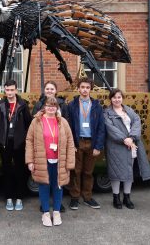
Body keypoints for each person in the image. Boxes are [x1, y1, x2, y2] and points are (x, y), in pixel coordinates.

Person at [26, 97, 75, 226]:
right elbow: (29, 141)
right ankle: (46, 213)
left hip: (59, 160)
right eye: (48, 105)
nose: (51, 108)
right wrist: (30, 161)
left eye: (54, 105)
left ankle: (57, 212)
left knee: (58, 186)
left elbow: (70, 142)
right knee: (44, 186)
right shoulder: (36, 121)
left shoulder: (63, 122)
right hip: (42, 160)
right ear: (44, 106)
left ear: (57, 107)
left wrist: (70, 162)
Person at [104, 88, 150, 209]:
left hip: (131, 146)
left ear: (122, 98)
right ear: (111, 99)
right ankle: (116, 197)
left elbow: (137, 122)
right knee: (115, 172)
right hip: (115, 147)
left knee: (128, 171)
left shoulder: (129, 110)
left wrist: (131, 138)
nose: (117, 99)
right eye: (114, 97)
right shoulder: (107, 113)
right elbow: (110, 129)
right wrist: (124, 139)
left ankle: (127, 197)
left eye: (119, 97)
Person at [68, 77, 105, 210]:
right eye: (82, 87)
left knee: (88, 172)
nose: (85, 90)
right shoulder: (71, 105)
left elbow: (101, 127)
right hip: (78, 142)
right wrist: (72, 144)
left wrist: (98, 146)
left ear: (90, 89)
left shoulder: (97, 106)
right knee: (76, 171)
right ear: (78, 88)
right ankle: (74, 197)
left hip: (91, 142)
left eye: (87, 88)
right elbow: (69, 126)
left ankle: (87, 197)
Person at [32, 80, 69, 213]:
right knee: (45, 180)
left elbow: (68, 124)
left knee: (57, 179)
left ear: (56, 90)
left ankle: (58, 205)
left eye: (51, 89)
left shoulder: (62, 105)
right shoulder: (39, 105)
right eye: (47, 89)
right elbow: (34, 126)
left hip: (60, 147)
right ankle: (45, 204)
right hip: (45, 148)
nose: (49, 91)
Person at [0, 79, 32, 211]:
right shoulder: (1, 105)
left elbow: (29, 123)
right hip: (5, 143)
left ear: (16, 90)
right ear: (4, 90)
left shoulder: (23, 105)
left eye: (12, 90)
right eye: (7, 90)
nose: (9, 92)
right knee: (6, 170)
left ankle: (20, 198)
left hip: (19, 143)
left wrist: (24, 138)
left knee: (20, 170)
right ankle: (9, 198)